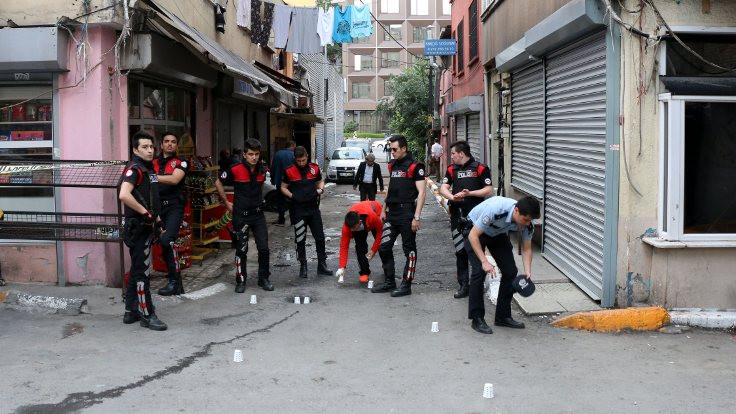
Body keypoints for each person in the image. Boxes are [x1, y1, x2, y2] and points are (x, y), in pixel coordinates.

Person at [464, 196, 540, 334]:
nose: (527, 223)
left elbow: (527, 248)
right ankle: (477, 318)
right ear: (516, 211)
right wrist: (484, 261)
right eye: (525, 219)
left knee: (510, 271)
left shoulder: (528, 223)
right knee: (479, 272)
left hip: (497, 233)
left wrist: (528, 271)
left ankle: (503, 316)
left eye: (530, 220)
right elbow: (473, 236)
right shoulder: (496, 209)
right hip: (475, 230)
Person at [118, 131, 167, 331]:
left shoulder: (149, 169)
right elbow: (124, 194)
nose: (149, 150)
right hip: (137, 227)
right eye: (144, 147)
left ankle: (131, 311)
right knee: (142, 273)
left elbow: (149, 198)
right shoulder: (135, 169)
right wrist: (146, 214)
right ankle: (147, 315)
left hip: (147, 226)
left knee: (138, 268)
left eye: (151, 147)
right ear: (135, 150)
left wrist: (157, 220)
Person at [215, 139, 274, 293]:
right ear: (244, 154)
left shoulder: (263, 168)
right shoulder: (235, 168)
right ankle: (240, 281)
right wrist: (227, 203)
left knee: (264, 249)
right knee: (242, 250)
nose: (254, 157)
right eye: (250, 154)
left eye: (256, 154)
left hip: (258, 215)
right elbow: (218, 182)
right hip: (241, 215)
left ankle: (264, 279)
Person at [373, 135, 426, 297]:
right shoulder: (393, 165)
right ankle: (390, 282)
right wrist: (383, 208)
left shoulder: (415, 167)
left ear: (404, 148)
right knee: (384, 247)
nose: (392, 152)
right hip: (392, 213)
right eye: (391, 149)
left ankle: (406, 284)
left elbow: (422, 192)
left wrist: (416, 217)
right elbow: (390, 188)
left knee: (409, 250)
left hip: (407, 213)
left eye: (395, 149)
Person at [439, 141, 493, 299]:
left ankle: (479, 282)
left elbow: (488, 190)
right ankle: (464, 285)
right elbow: (443, 188)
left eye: (454, 154)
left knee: (477, 250)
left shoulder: (480, 168)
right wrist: (452, 197)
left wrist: (469, 193)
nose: (452, 157)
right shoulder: (451, 169)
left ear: (461, 153)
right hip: (457, 215)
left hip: (477, 216)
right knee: (460, 250)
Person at [280, 146, 332, 278]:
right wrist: (292, 196)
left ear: (307, 156)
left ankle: (322, 265)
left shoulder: (314, 168)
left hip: (313, 209)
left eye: (303, 160)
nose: (301, 163)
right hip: (298, 211)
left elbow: (321, 181)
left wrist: (320, 190)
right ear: (295, 160)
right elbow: (283, 187)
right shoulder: (289, 171)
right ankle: (303, 266)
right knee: (300, 239)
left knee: (320, 237)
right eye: (299, 161)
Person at [152, 132, 189, 296]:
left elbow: (174, 180)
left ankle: (174, 282)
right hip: (157, 208)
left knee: (167, 240)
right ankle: (177, 283)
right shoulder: (152, 162)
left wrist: (151, 176)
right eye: (166, 141)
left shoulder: (182, 162)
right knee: (164, 242)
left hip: (174, 207)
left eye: (173, 142)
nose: (169, 144)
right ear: (161, 145)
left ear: (176, 145)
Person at [335, 200, 384, 283]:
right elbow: (344, 247)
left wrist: (373, 250)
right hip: (361, 222)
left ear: (359, 222)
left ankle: (387, 267)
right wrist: (342, 267)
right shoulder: (348, 227)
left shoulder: (372, 216)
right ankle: (364, 272)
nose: (351, 230)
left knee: (383, 245)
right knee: (360, 247)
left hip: (376, 213)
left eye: (353, 228)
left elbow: (380, 232)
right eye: (350, 229)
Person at [270, 140, 296, 226]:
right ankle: (293, 221)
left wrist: (273, 179)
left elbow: (273, 167)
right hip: (292, 182)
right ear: (292, 145)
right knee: (293, 200)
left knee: (280, 201)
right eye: (294, 146)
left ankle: (281, 220)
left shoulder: (277, 154)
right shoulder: (293, 155)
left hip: (280, 182)